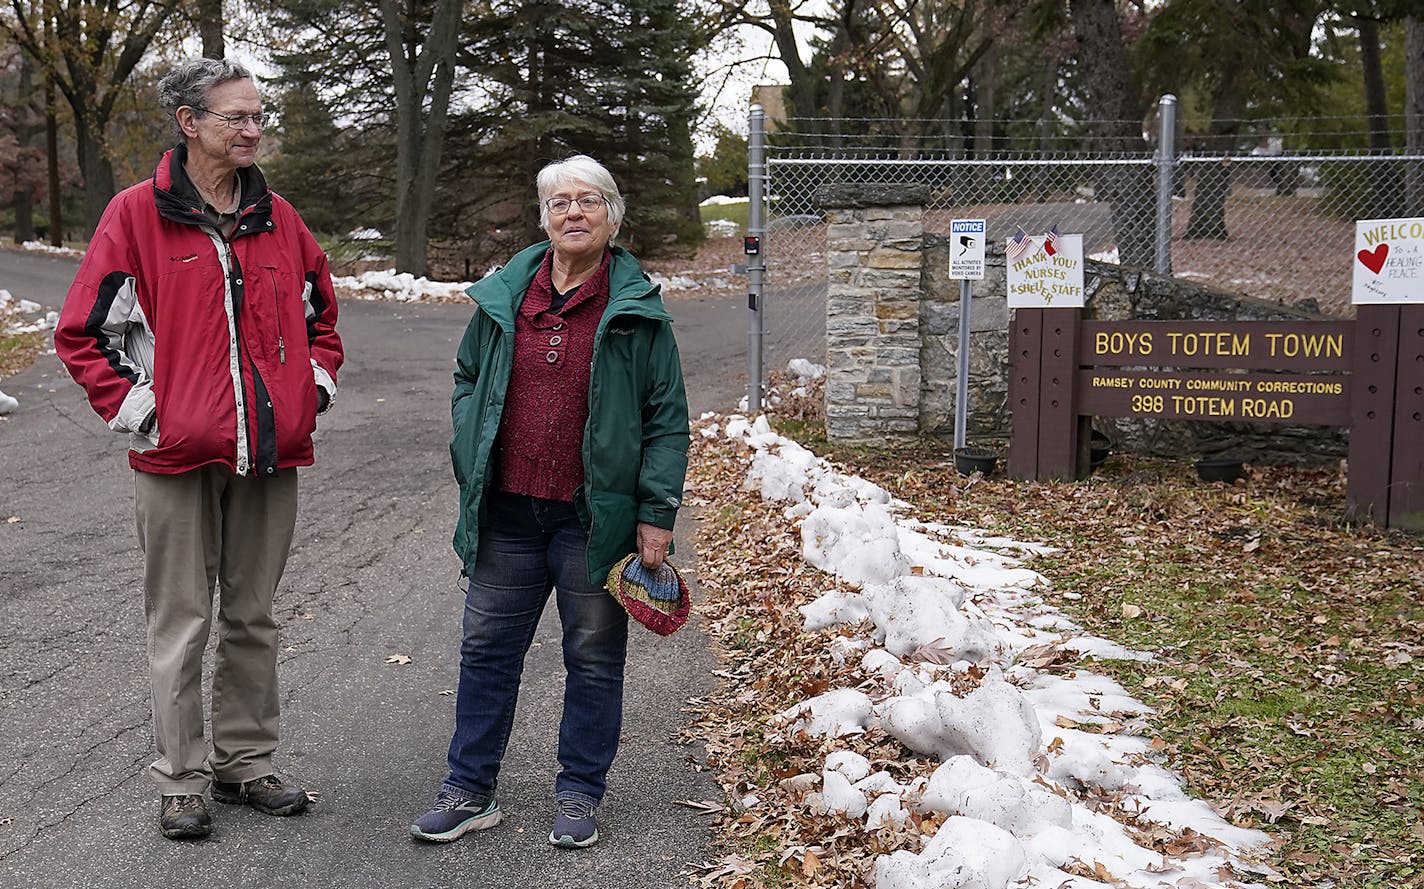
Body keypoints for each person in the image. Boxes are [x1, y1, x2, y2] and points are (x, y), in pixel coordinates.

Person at [53, 58, 343, 841]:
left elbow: (322, 313)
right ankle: (180, 779)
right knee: (180, 620)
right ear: (189, 123)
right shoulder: (135, 216)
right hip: (176, 456)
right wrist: (148, 413)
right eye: (236, 118)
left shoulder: (280, 217)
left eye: (259, 116)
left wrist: (307, 393)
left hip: (270, 454)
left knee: (253, 615)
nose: (253, 130)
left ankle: (245, 760)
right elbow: (84, 334)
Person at [409, 155, 689, 849]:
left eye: (588, 201)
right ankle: (469, 789)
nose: (573, 213)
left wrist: (656, 514)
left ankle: (579, 791)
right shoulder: (507, 296)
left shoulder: (638, 313)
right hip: (506, 510)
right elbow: (469, 375)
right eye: (560, 202)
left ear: (612, 216)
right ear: (545, 217)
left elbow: (666, 418)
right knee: (487, 650)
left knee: (593, 655)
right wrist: (467, 446)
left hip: (592, 520)